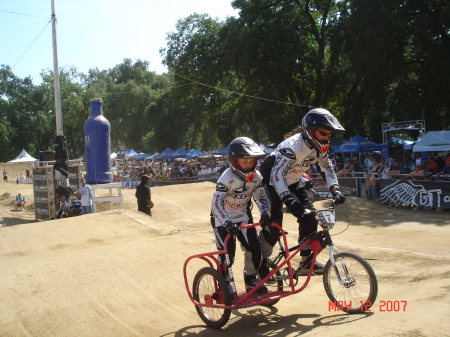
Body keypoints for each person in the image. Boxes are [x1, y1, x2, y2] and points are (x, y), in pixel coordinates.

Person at [259, 108, 346, 274]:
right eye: (323, 133)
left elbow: (327, 169)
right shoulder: (291, 147)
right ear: (310, 130)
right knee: (274, 224)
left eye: (329, 134)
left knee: (309, 216)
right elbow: (277, 175)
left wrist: (335, 190)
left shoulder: (322, 147)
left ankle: (306, 261)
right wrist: (288, 200)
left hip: (292, 179)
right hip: (270, 179)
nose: (326, 138)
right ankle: (260, 261)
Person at [211, 137, 273, 293]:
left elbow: (262, 198)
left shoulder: (257, 177)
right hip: (222, 218)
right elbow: (216, 204)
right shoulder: (226, 177)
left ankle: (251, 279)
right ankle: (224, 286)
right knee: (228, 253)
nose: (249, 165)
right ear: (234, 161)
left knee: (254, 248)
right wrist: (226, 222)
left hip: (243, 215)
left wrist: (265, 213)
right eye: (244, 162)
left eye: (252, 162)